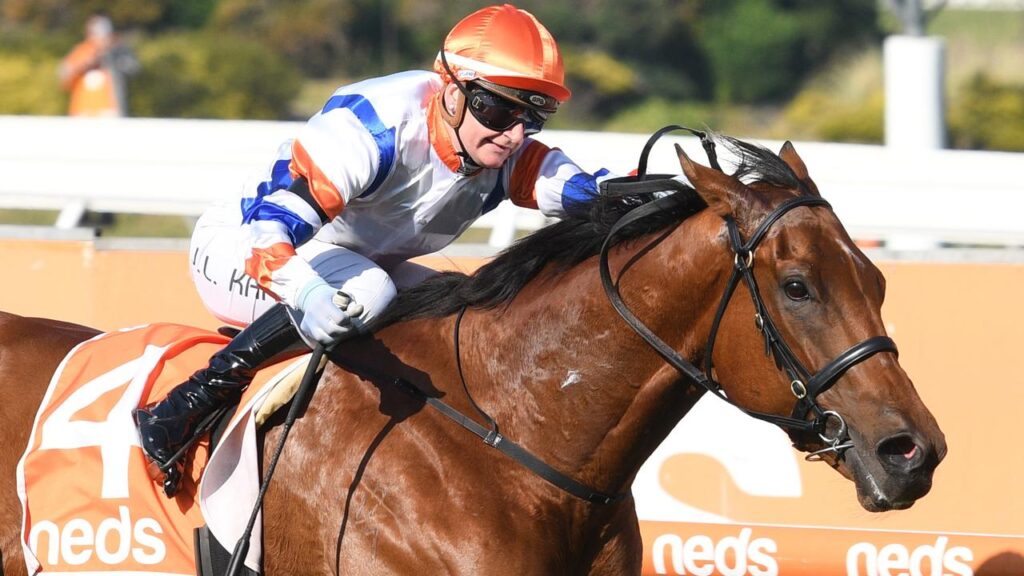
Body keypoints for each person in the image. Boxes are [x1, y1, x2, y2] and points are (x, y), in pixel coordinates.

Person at [133, 3, 615, 497]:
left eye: (533, 116)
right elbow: (267, 233)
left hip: (348, 260)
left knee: (467, 309)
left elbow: (571, 186)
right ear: (452, 90)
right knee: (370, 288)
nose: (514, 133)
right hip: (242, 246)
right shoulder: (375, 127)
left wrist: (623, 195)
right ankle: (187, 403)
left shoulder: (499, 146)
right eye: (499, 109)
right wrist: (309, 294)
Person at [58, 14, 139, 117]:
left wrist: (111, 57)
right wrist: (85, 64)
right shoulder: (81, 51)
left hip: (109, 111)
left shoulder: (118, 51)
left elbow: (133, 68)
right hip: (82, 111)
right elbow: (64, 76)